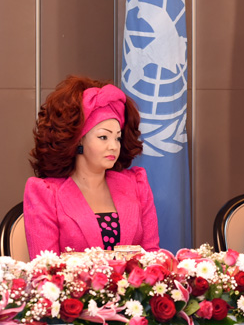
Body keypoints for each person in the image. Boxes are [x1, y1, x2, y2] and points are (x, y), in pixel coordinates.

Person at [24, 76, 160, 258]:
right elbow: (45, 269)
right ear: (78, 139)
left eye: (117, 138)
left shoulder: (137, 184)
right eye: (103, 137)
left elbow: (152, 257)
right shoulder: (44, 192)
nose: (113, 146)